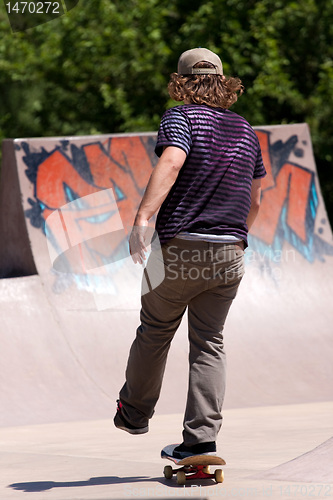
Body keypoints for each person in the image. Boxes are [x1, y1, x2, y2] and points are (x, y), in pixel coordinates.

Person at [114, 48, 266, 459]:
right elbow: (255, 202)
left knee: (156, 329)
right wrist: (234, 240)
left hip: (180, 248)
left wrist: (143, 219)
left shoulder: (180, 117)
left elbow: (173, 161)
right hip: (230, 252)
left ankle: (134, 412)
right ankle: (201, 440)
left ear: (181, 82)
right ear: (223, 82)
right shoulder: (245, 130)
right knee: (209, 342)